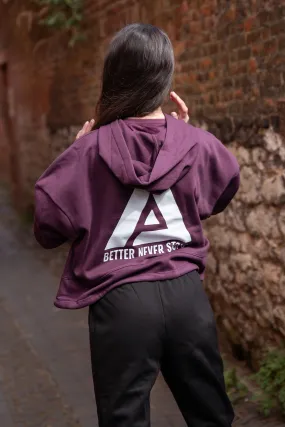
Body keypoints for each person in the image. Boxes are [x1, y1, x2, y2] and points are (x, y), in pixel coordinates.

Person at [34, 23, 240, 427]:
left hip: (120, 303)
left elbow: (48, 224)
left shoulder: (89, 151)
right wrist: (183, 138)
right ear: (165, 78)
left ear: (115, 77)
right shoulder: (193, 142)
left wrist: (77, 152)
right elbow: (223, 187)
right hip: (186, 299)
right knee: (212, 416)